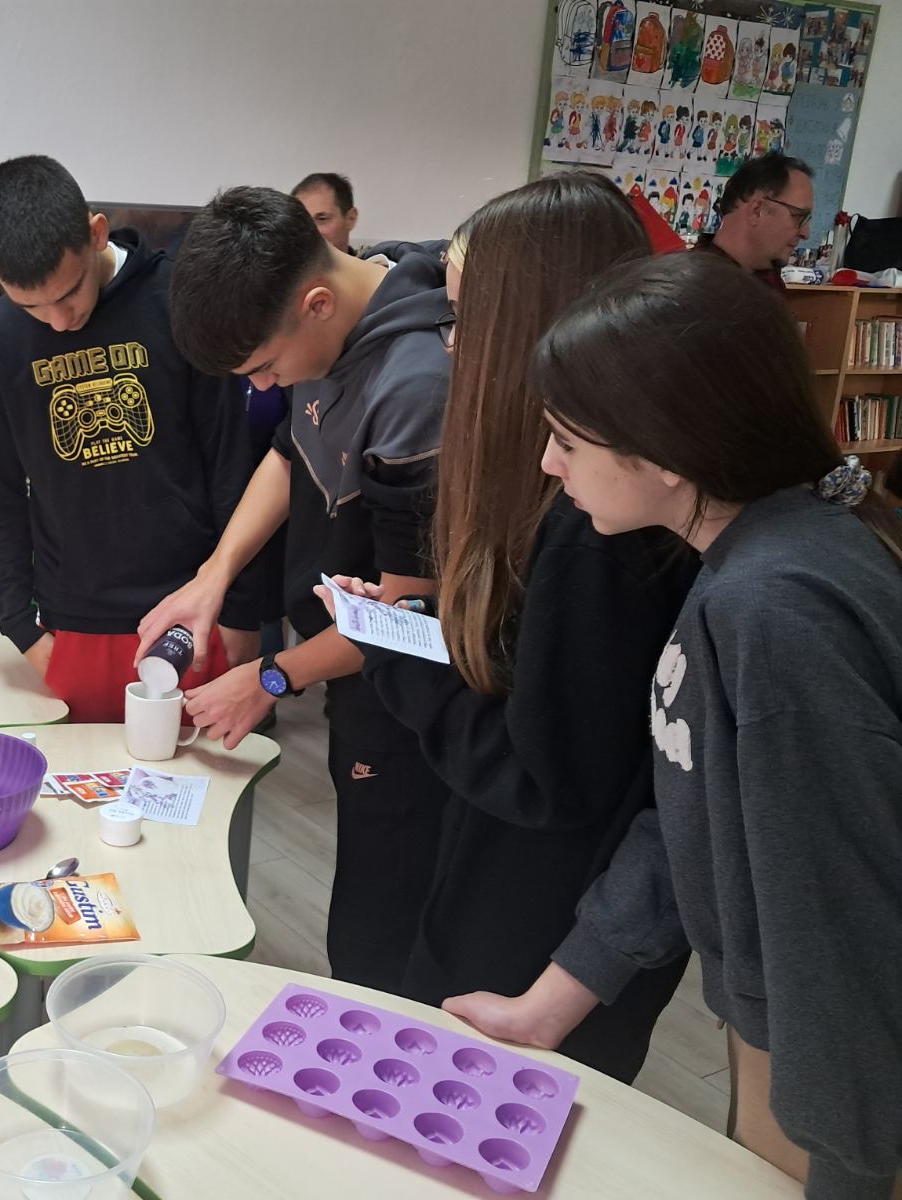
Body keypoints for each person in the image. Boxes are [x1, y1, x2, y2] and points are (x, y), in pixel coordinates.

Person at [445, 253, 902, 1197]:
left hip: (847, 1079)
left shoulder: (774, 609)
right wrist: (552, 1002)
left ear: (662, 452)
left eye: (566, 441)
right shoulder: (744, 557)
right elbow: (690, 799)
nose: (548, 464)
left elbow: (839, 917)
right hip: (798, 1044)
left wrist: (850, 1158)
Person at [317, 173, 695, 1082]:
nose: (451, 347)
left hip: (543, 916)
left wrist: (394, 655)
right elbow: (535, 681)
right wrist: (416, 628)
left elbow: (542, 775)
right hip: (524, 881)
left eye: (463, 321)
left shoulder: (598, 529)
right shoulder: (573, 492)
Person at [138, 186, 450, 990]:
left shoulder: (415, 387)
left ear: (315, 303)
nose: (269, 385)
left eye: (265, 367)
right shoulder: (336, 320)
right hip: (349, 667)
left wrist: (272, 677)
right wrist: (214, 576)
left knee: (382, 933)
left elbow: (407, 618)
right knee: (362, 904)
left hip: (410, 699)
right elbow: (285, 453)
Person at [0, 155, 261, 724]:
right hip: (70, 623)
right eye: (30, 306)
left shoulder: (180, 302)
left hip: (191, 609)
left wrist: (242, 610)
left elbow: (230, 463)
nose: (58, 321)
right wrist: (21, 626)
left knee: (194, 778)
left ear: (97, 233)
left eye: (68, 293)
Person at [695, 152, 814, 292]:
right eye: (798, 216)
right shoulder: (690, 287)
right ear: (756, 210)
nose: (806, 233)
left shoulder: (768, 281)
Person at [291, 172, 359, 254]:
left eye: (322, 219)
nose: (310, 232)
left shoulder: (370, 260)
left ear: (351, 218)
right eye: (302, 222)